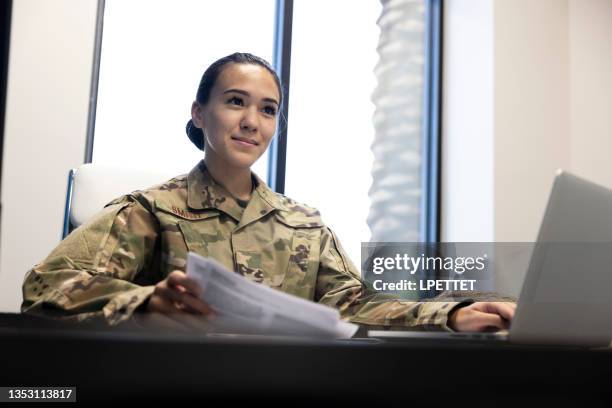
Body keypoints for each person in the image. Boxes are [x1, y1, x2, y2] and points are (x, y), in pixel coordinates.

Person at [21, 52, 514, 333]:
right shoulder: (149, 212)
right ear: (199, 113)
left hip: (287, 387)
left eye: (268, 109)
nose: (252, 122)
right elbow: (47, 287)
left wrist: (451, 313)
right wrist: (148, 299)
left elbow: (354, 305)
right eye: (236, 102)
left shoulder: (304, 224)